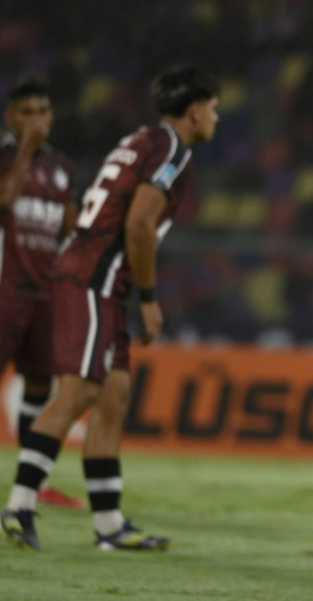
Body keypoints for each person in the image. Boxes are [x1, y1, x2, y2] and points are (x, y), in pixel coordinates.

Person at [1, 64, 221, 551]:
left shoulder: (143, 138)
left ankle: (108, 526)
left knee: (114, 394)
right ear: (194, 110)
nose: (217, 118)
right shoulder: (171, 150)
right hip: (95, 277)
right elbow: (140, 225)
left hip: (95, 275)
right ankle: (19, 505)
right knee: (77, 392)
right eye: (214, 109)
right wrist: (148, 297)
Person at [0, 75, 85, 510]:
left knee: (39, 383)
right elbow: (4, 202)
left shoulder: (62, 168)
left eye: (43, 111)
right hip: (4, 290)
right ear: (10, 117)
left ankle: (30, 484)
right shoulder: (5, 158)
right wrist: (26, 152)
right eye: (27, 112)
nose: (37, 120)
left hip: (44, 292)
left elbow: (70, 231)